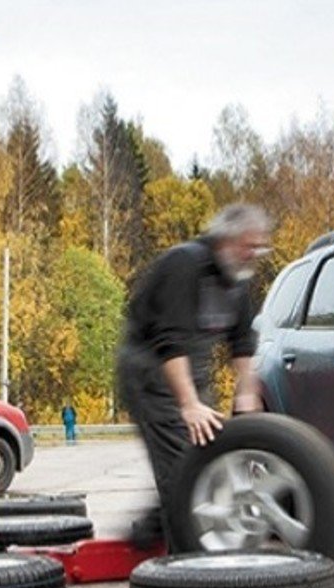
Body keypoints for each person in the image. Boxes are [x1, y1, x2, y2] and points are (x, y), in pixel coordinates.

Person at [117, 202, 273, 549]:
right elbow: (169, 341)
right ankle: (184, 568)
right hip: (150, 370)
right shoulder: (184, 264)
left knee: (208, 458)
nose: (254, 253)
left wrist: (246, 391)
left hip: (192, 371)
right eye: (249, 244)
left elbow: (242, 340)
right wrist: (188, 404)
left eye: (258, 245)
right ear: (227, 240)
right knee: (182, 471)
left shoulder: (237, 276)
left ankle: (147, 531)